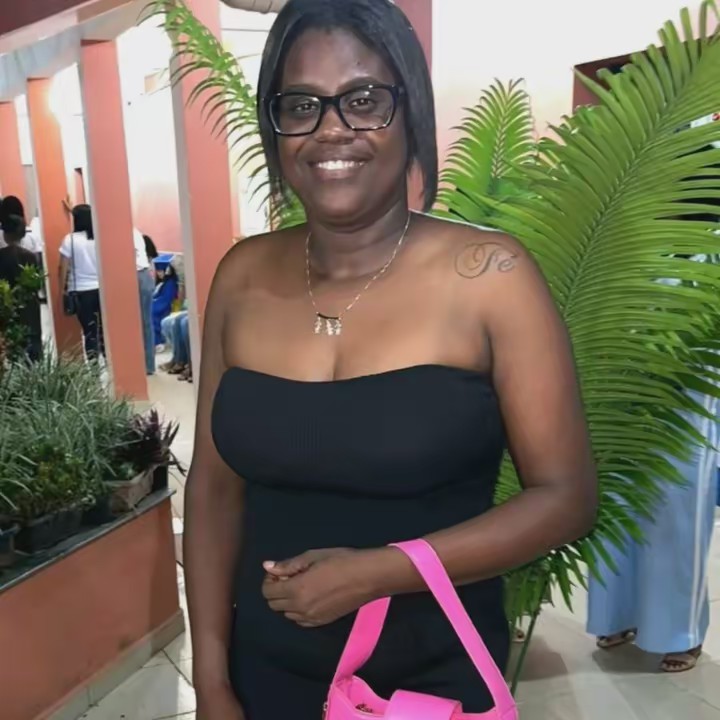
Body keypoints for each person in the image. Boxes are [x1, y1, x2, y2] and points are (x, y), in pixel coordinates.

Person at [185, 1, 598, 719]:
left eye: (364, 99)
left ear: (411, 115)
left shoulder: (491, 278)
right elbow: (213, 492)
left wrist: (380, 572)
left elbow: (566, 498)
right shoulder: (241, 276)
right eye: (301, 105)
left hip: (429, 682)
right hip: (263, 676)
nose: (331, 129)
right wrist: (213, 680)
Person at [587, 395, 718, 673]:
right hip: (622, 391)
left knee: (674, 512)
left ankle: (682, 634)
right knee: (616, 508)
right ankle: (618, 616)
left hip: (686, 393)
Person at [59, 204, 104, 360]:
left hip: (81, 293)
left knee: (89, 332)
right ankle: (109, 362)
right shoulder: (99, 237)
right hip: (101, 290)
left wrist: (62, 290)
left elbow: (63, 268)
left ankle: (94, 367)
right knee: (104, 330)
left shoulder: (70, 240)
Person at [0, 213, 42, 361]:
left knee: (12, 350)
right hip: (30, 308)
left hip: (7, 309)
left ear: (5, 234)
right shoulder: (30, 256)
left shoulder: (1, 256)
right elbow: (37, 283)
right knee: (34, 348)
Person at [135, 229, 156, 375]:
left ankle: (147, 365)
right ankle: (148, 365)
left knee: (144, 323)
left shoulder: (128, 232)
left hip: (139, 275)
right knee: (145, 323)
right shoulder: (135, 233)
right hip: (143, 276)